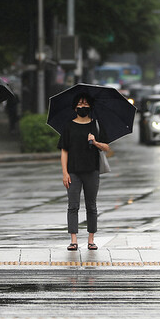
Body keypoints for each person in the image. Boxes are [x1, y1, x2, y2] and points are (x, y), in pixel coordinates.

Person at [57, 93, 110, 251]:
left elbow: (107, 147)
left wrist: (95, 142)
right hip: (73, 171)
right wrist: (65, 172)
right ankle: (73, 240)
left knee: (91, 206)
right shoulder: (68, 126)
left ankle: (91, 239)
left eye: (86, 104)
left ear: (90, 107)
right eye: (79, 104)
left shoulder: (96, 125)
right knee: (72, 206)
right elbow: (64, 151)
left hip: (92, 170)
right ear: (74, 107)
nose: (82, 107)